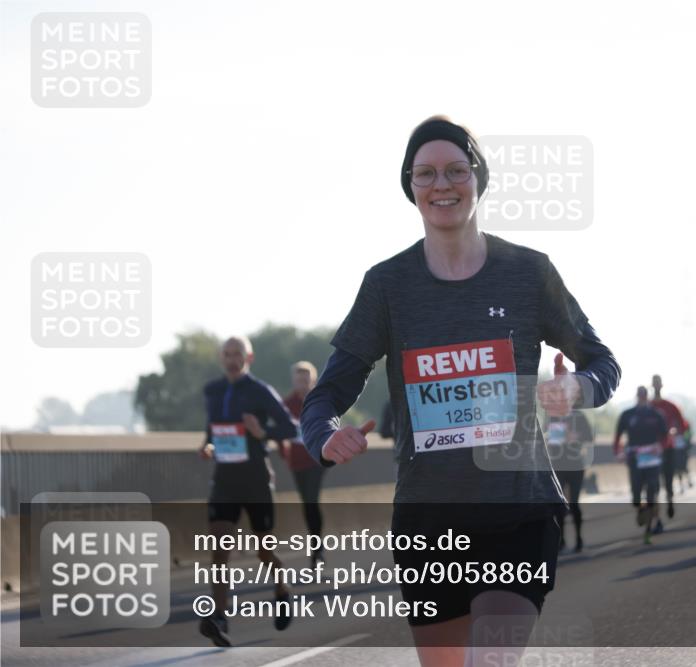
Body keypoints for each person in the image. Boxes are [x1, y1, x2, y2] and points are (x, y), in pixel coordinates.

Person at [299, 116, 621, 667]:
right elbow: (324, 396)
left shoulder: (529, 273)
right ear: (410, 187)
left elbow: (603, 364)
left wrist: (577, 389)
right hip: (430, 524)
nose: (441, 185)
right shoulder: (387, 286)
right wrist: (324, 436)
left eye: (456, 170)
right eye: (425, 174)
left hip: (517, 513)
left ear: (479, 178)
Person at [198, 336, 299, 647]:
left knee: (263, 550)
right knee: (218, 547)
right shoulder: (212, 391)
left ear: (249, 357)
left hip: (255, 479)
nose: (231, 359)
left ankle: (282, 590)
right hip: (225, 479)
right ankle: (219, 616)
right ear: (221, 358)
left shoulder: (260, 391)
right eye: (227, 354)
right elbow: (212, 430)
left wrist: (263, 432)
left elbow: (290, 428)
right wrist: (208, 446)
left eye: (237, 354)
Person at [277, 361, 327, 567]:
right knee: (307, 503)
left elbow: (332, 425)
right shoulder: (286, 404)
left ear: (313, 381)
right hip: (297, 460)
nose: (302, 383)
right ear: (293, 382)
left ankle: (317, 549)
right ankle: (317, 545)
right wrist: (284, 453)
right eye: (299, 380)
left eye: (306, 380)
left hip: (317, 458)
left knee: (311, 499)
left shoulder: (321, 400)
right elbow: (279, 432)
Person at [614, 387, 668, 545]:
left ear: (647, 397)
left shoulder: (656, 414)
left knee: (652, 489)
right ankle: (641, 507)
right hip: (635, 459)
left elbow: (665, 437)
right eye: (640, 396)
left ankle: (649, 529)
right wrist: (618, 452)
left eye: (645, 396)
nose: (642, 398)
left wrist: (660, 447)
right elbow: (617, 436)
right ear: (636, 397)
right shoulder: (627, 414)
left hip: (652, 459)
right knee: (636, 495)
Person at [546, 408, 594, 553]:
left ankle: (579, 538)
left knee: (574, 503)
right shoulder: (552, 416)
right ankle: (561, 540)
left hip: (575, 465)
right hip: (558, 465)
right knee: (559, 505)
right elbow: (548, 437)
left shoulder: (579, 416)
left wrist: (575, 437)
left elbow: (589, 437)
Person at [649, 374, 685, 523]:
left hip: (668, 449)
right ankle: (657, 519)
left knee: (668, 482)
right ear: (652, 386)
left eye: (659, 383)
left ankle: (670, 501)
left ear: (662, 386)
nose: (657, 386)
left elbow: (682, 426)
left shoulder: (671, 406)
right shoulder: (648, 406)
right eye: (654, 383)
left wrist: (673, 432)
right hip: (652, 451)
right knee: (653, 485)